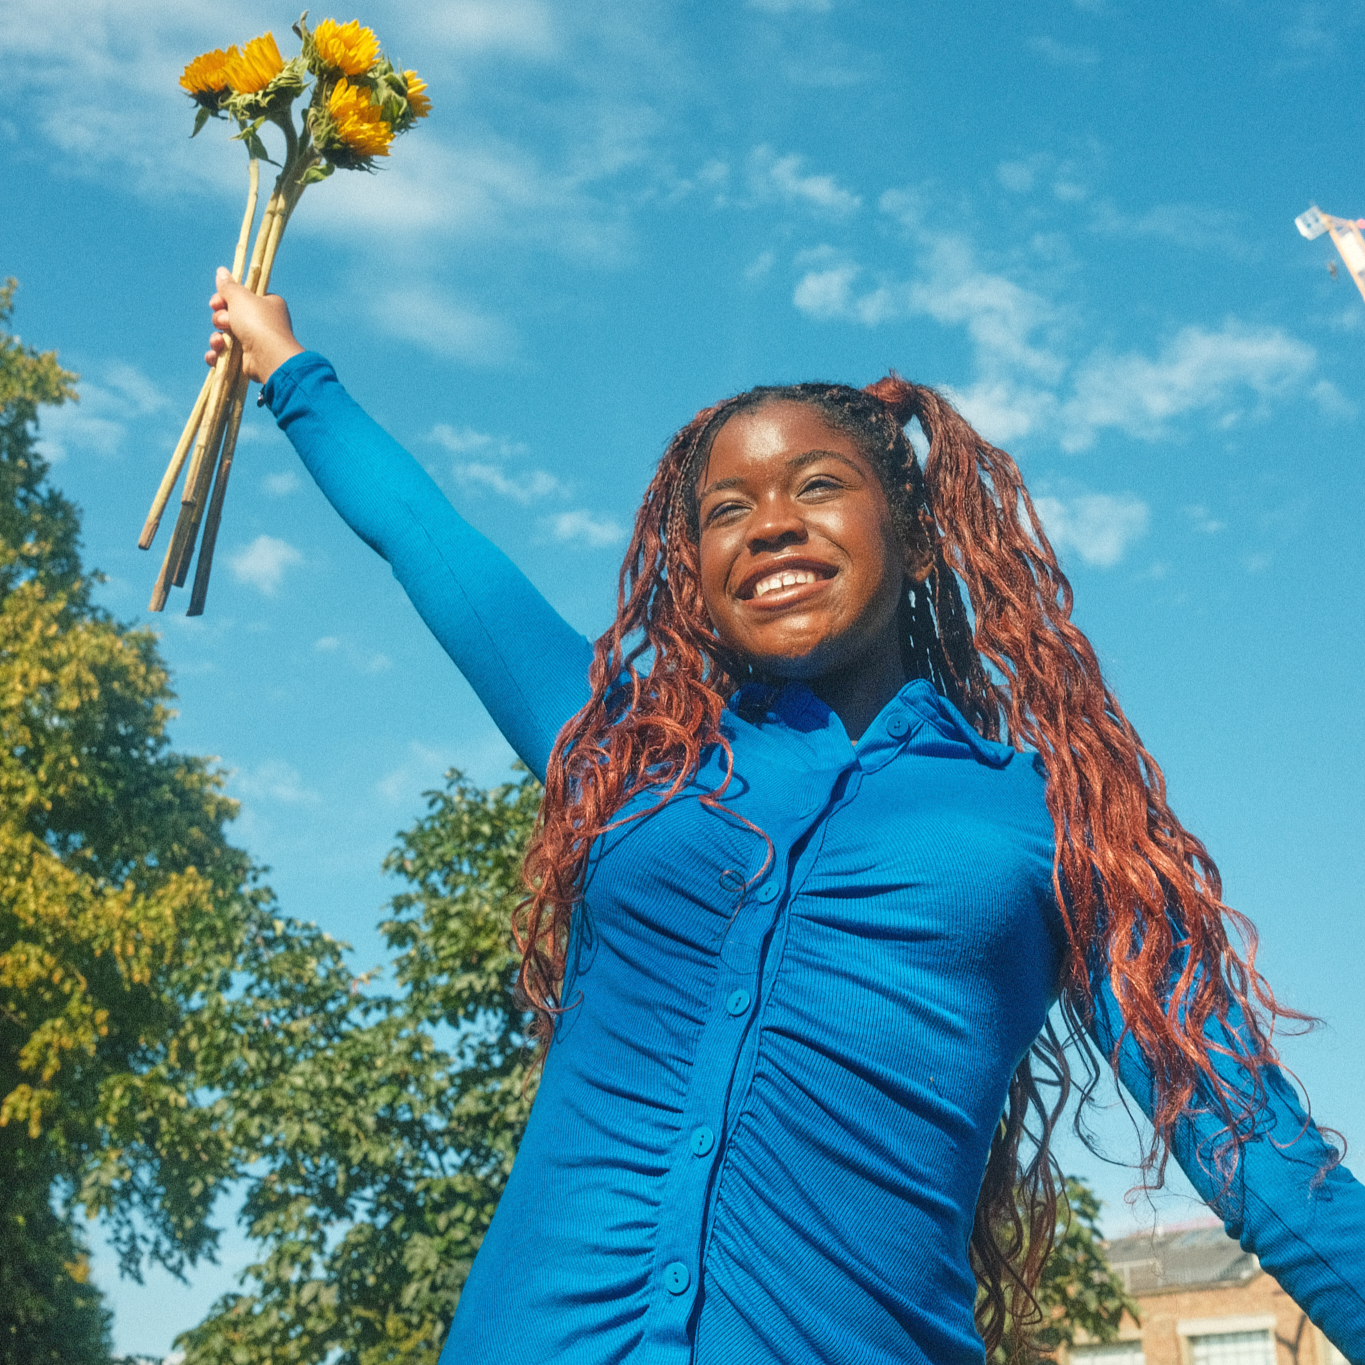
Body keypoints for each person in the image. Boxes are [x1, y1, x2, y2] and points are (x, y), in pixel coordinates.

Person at [207, 267, 1365, 1364]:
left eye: (817, 487)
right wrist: (285, 361)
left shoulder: (1053, 821)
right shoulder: (622, 757)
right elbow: (435, 547)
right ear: (696, 569)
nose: (769, 524)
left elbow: (1250, 1141)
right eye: (727, 510)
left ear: (913, 534)